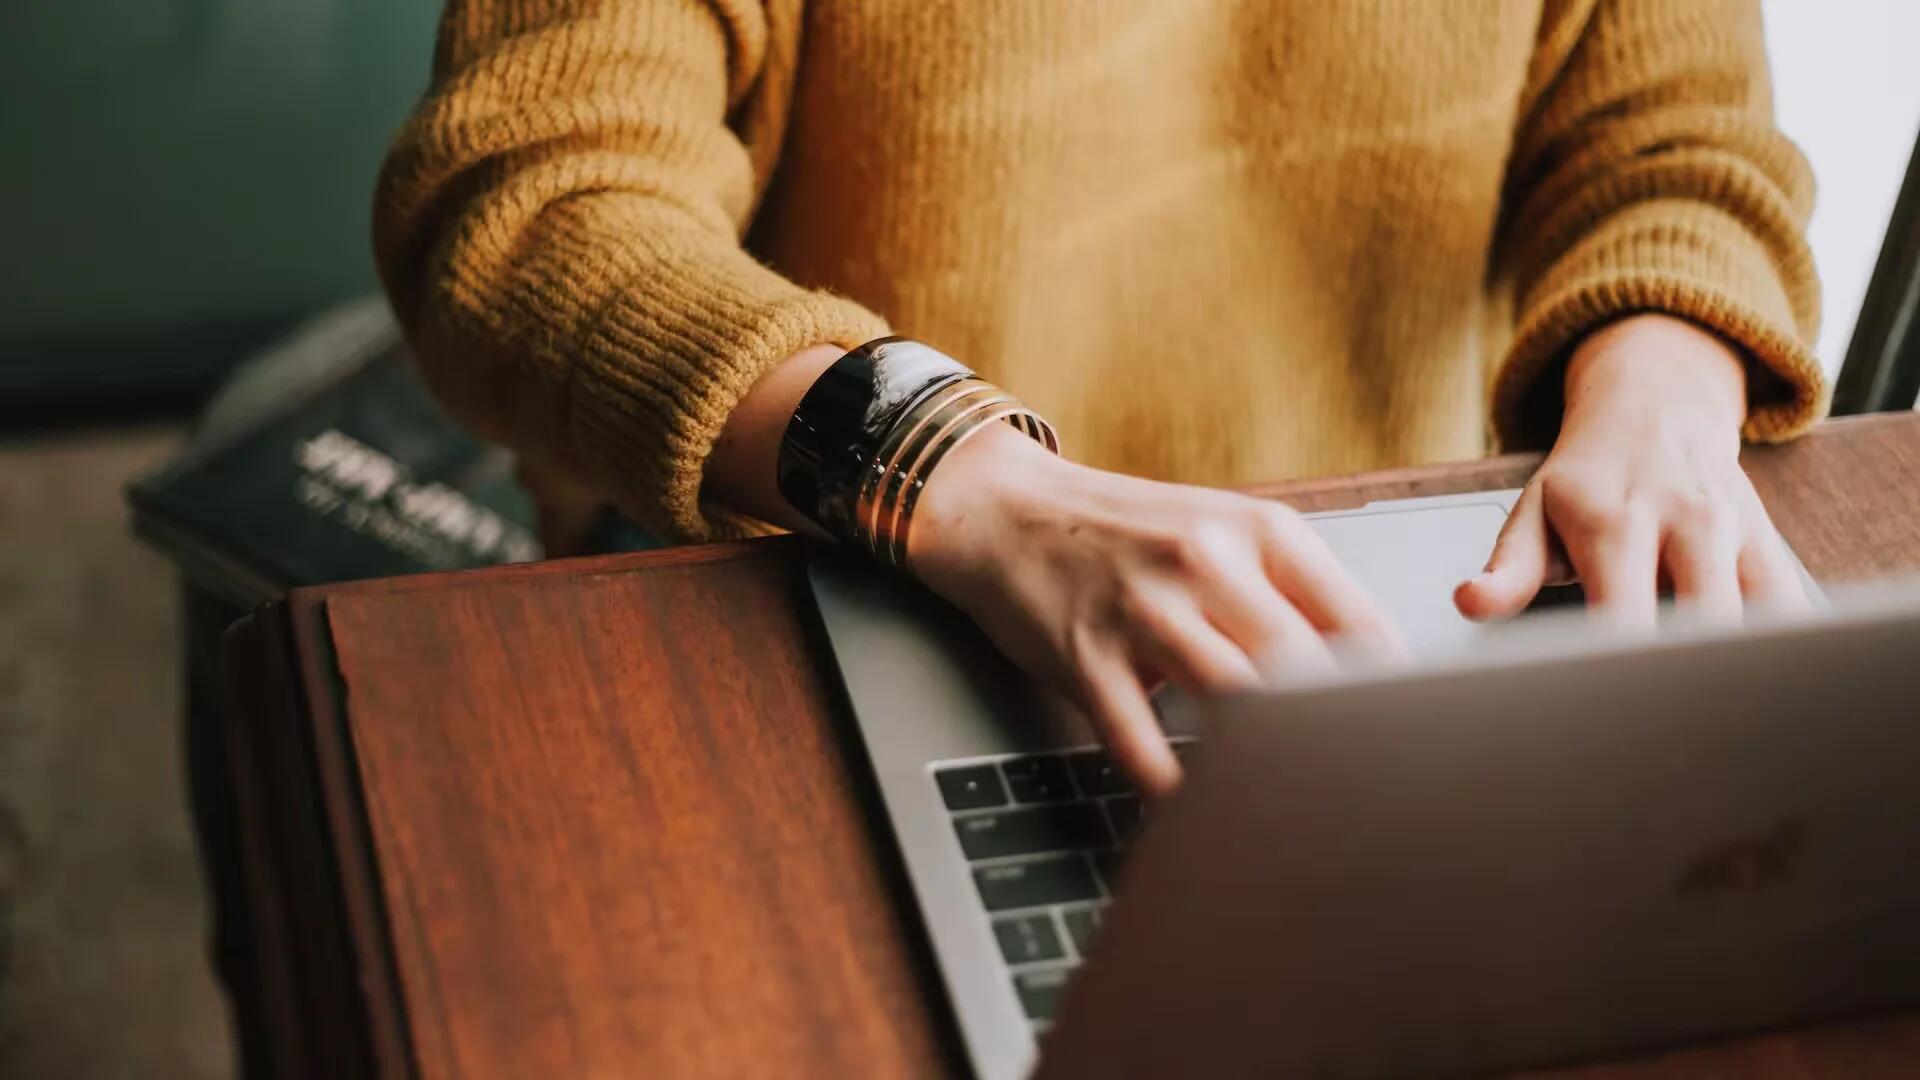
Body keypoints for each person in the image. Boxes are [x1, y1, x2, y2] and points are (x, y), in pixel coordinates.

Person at [374, 0, 1824, 795]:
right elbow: (531, 203)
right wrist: (958, 474)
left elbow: (1678, 136)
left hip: (1385, 618)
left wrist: (1663, 386)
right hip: (834, 577)